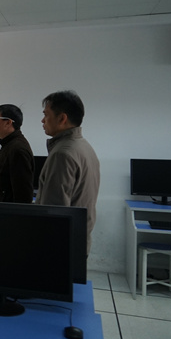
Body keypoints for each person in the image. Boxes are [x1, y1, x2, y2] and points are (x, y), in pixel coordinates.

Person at [37, 90, 100, 254]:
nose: (42, 120)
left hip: (61, 246)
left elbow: (54, 211)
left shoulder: (62, 154)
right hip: (77, 240)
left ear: (62, 118)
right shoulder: (84, 146)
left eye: (46, 115)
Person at [0, 104, 34, 203]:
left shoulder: (17, 149)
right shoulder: (8, 145)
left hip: (5, 211)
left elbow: (23, 194)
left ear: (8, 122)